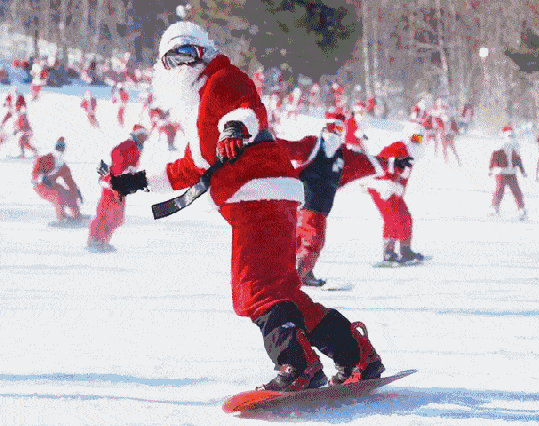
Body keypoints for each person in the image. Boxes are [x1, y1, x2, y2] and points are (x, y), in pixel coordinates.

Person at [108, 21, 385, 391]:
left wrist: (235, 128)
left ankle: (297, 364)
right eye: (171, 59)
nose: (182, 65)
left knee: (255, 289)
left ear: (204, 51)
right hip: (263, 195)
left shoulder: (223, 77)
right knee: (283, 291)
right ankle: (356, 355)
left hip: (257, 193)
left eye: (188, 53)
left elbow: (247, 107)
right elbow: (192, 166)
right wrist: (137, 181)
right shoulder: (198, 107)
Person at [278, 110, 391, 287]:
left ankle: (302, 273)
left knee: (301, 242)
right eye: (328, 127)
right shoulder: (313, 144)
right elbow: (289, 148)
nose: (332, 132)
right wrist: (266, 142)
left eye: (337, 127)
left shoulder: (343, 154)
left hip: (319, 207)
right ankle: (294, 280)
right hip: (307, 203)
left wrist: (391, 163)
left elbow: (366, 163)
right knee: (312, 241)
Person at [366, 122, 425, 264]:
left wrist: (399, 188)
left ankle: (405, 250)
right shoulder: (397, 147)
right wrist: (388, 180)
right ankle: (389, 253)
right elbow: (381, 162)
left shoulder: (411, 153)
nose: (416, 142)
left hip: (394, 189)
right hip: (381, 187)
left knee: (405, 216)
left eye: (420, 139)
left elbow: (403, 175)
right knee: (392, 218)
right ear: (407, 136)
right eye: (414, 138)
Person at [87, 125, 149, 253]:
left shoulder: (136, 147)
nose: (145, 138)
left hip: (117, 184)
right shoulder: (129, 145)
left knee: (114, 216)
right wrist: (121, 174)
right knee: (111, 214)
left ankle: (99, 240)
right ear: (137, 135)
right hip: (114, 183)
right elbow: (116, 155)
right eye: (143, 135)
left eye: (146, 136)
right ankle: (97, 240)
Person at [31, 137, 82, 223]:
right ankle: (61, 217)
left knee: (69, 193)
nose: (60, 152)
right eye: (59, 149)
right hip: (41, 186)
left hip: (52, 185)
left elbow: (69, 181)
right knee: (58, 195)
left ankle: (76, 216)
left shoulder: (63, 166)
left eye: (62, 149)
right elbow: (35, 175)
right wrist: (42, 177)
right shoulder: (43, 159)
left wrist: (76, 191)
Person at [489, 126, 527, 220]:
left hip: (511, 172)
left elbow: (518, 159)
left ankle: (521, 208)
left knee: (516, 190)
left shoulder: (515, 146)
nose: (510, 138)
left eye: (512, 136)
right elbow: (494, 157)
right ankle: (494, 207)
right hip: (501, 172)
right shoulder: (500, 145)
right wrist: (491, 168)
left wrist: (522, 170)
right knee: (499, 190)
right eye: (509, 136)